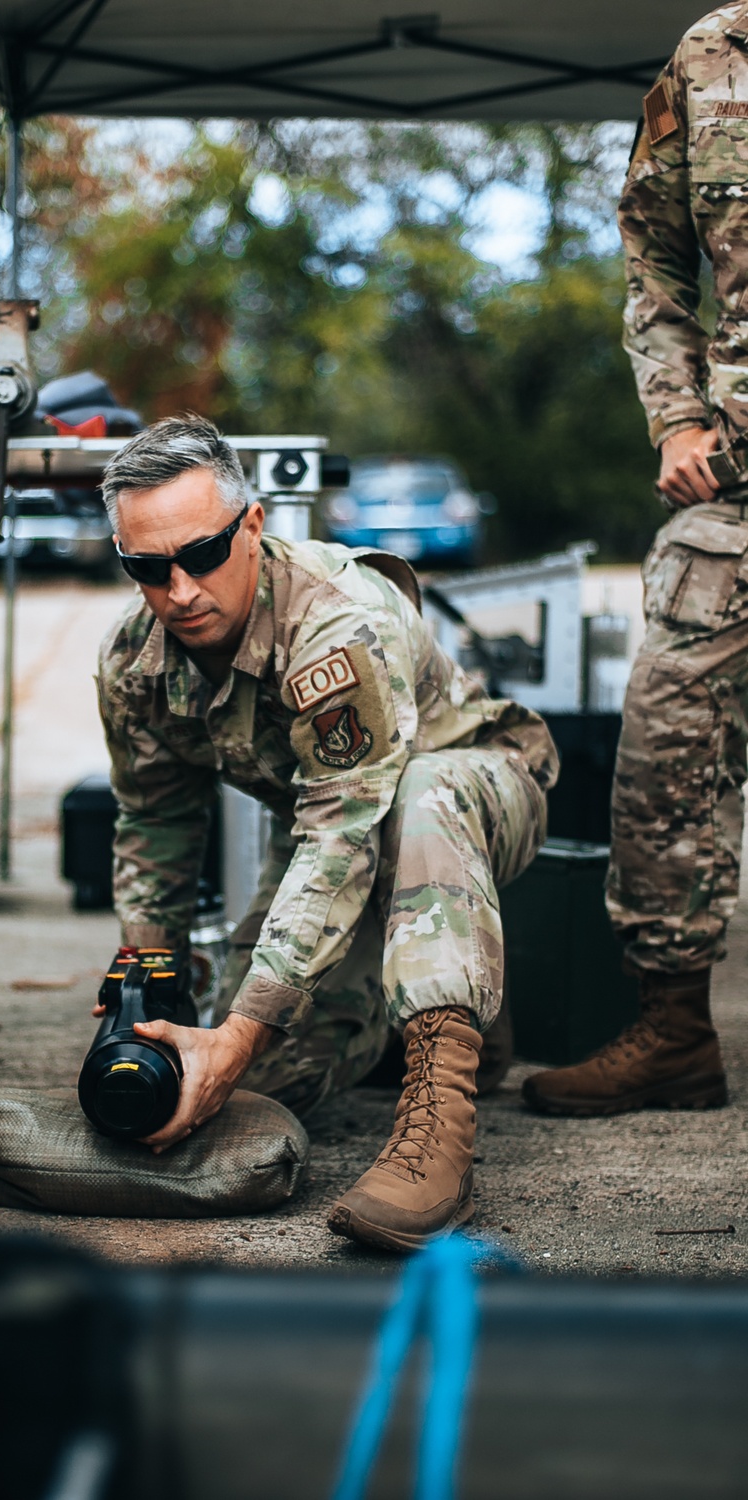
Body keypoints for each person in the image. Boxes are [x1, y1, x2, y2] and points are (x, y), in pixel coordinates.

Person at [96, 416, 557, 1252]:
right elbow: (155, 820)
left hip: (474, 790)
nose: (181, 590)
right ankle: (432, 1010)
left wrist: (238, 1030)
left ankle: (439, 1128)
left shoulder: (338, 624)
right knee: (253, 1084)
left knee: (422, 791)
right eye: (147, 568)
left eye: (201, 554)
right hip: (334, 829)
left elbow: (346, 834)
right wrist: (149, 987)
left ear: (254, 525)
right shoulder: (134, 663)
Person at [524, 4, 748, 1117]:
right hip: (736, 489)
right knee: (661, 748)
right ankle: (671, 1032)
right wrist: (674, 416)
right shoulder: (710, 57)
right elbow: (652, 248)